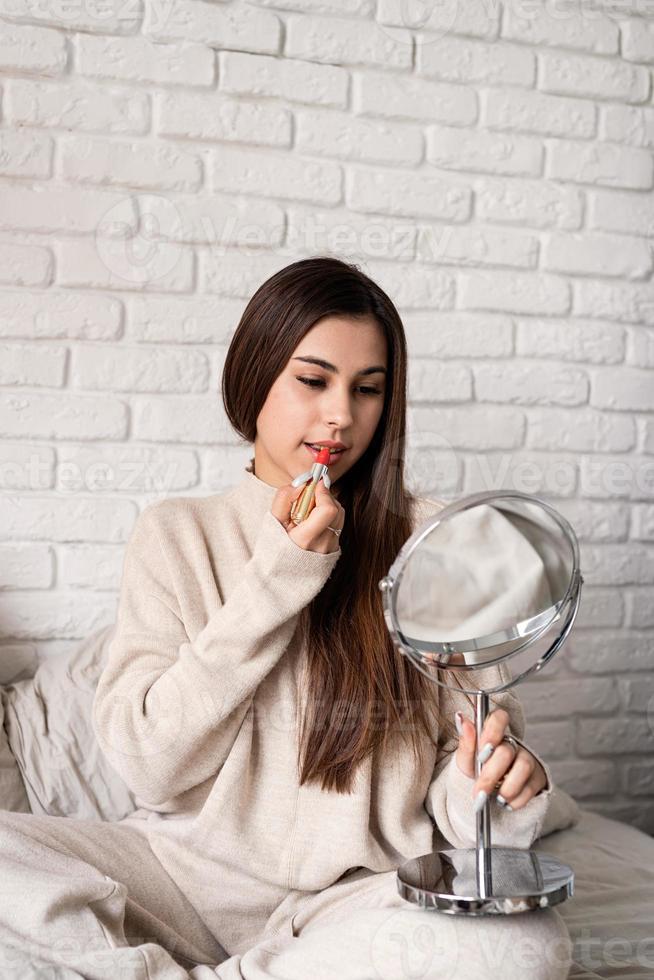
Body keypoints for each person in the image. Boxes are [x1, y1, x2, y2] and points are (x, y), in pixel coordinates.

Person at [0, 256, 574, 979]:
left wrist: (491, 781)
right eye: (313, 380)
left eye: (369, 390)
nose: (342, 414)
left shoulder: (430, 544)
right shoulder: (177, 533)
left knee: (526, 946)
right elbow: (150, 767)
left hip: (357, 902)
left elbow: (459, 802)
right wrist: (280, 576)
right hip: (176, 882)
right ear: (256, 373)